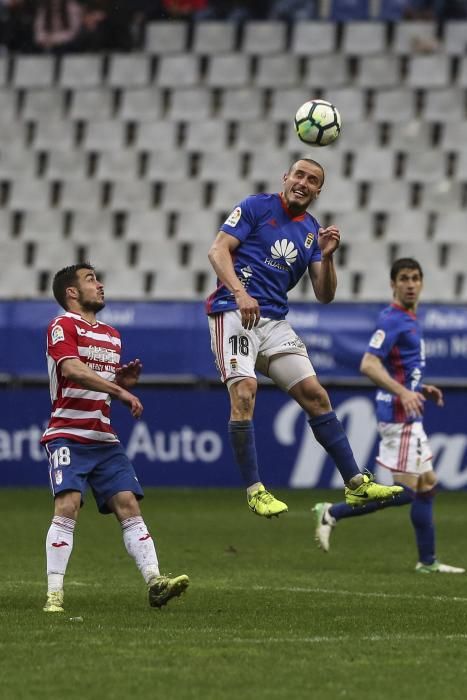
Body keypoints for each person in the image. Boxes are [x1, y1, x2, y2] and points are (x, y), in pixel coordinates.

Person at [205, 157, 403, 518]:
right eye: (299, 175)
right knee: (245, 390)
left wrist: (327, 258)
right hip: (235, 312)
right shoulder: (256, 206)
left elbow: (324, 294)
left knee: (316, 395)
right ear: (286, 177)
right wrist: (239, 292)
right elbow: (217, 250)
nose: (303, 182)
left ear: (318, 191)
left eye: (312, 180)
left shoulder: (312, 230)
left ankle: (356, 484)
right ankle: (255, 491)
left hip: (275, 321)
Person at [40, 263, 189, 612]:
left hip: (102, 438)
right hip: (67, 434)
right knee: (68, 505)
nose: (101, 285)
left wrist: (120, 384)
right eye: (91, 279)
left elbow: (99, 389)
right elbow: (71, 369)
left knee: (129, 505)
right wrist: (120, 392)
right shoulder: (62, 325)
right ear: (71, 292)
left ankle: (155, 582)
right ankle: (54, 595)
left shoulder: (112, 335)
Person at [313, 258, 465, 574]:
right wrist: (404, 393)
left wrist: (418, 387)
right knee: (408, 491)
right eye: (404, 278)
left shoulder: (409, 318)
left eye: (416, 278)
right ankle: (333, 512)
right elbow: (369, 364)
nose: (410, 284)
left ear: (422, 283)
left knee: (427, 486)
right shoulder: (393, 320)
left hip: (409, 412)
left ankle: (427, 561)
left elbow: (398, 367)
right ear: (393, 284)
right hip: (399, 417)